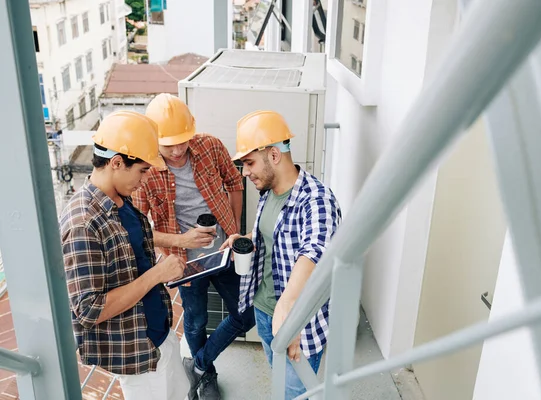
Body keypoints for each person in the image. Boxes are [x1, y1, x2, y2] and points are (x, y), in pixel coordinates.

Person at [131, 93, 255, 400]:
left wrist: (235, 230)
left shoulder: (210, 146)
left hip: (225, 252)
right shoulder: (145, 172)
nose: (175, 151)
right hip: (185, 263)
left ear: (193, 130)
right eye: (167, 144)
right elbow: (140, 227)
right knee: (196, 320)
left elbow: (235, 183)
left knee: (247, 312)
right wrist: (181, 241)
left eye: (182, 141)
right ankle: (207, 376)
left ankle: (198, 365)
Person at [60, 111, 188, 400]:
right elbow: (90, 309)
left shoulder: (119, 200)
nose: (144, 180)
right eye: (142, 170)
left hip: (157, 335)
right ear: (116, 162)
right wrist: (157, 274)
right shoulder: (83, 222)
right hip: (137, 358)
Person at [221, 110, 342, 400]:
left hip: (297, 320)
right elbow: (276, 234)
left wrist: (288, 306)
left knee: (293, 394)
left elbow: (314, 251)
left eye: (249, 163)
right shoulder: (270, 192)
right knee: (279, 382)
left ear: (274, 155)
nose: (244, 172)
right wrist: (247, 238)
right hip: (265, 310)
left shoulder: (317, 200)